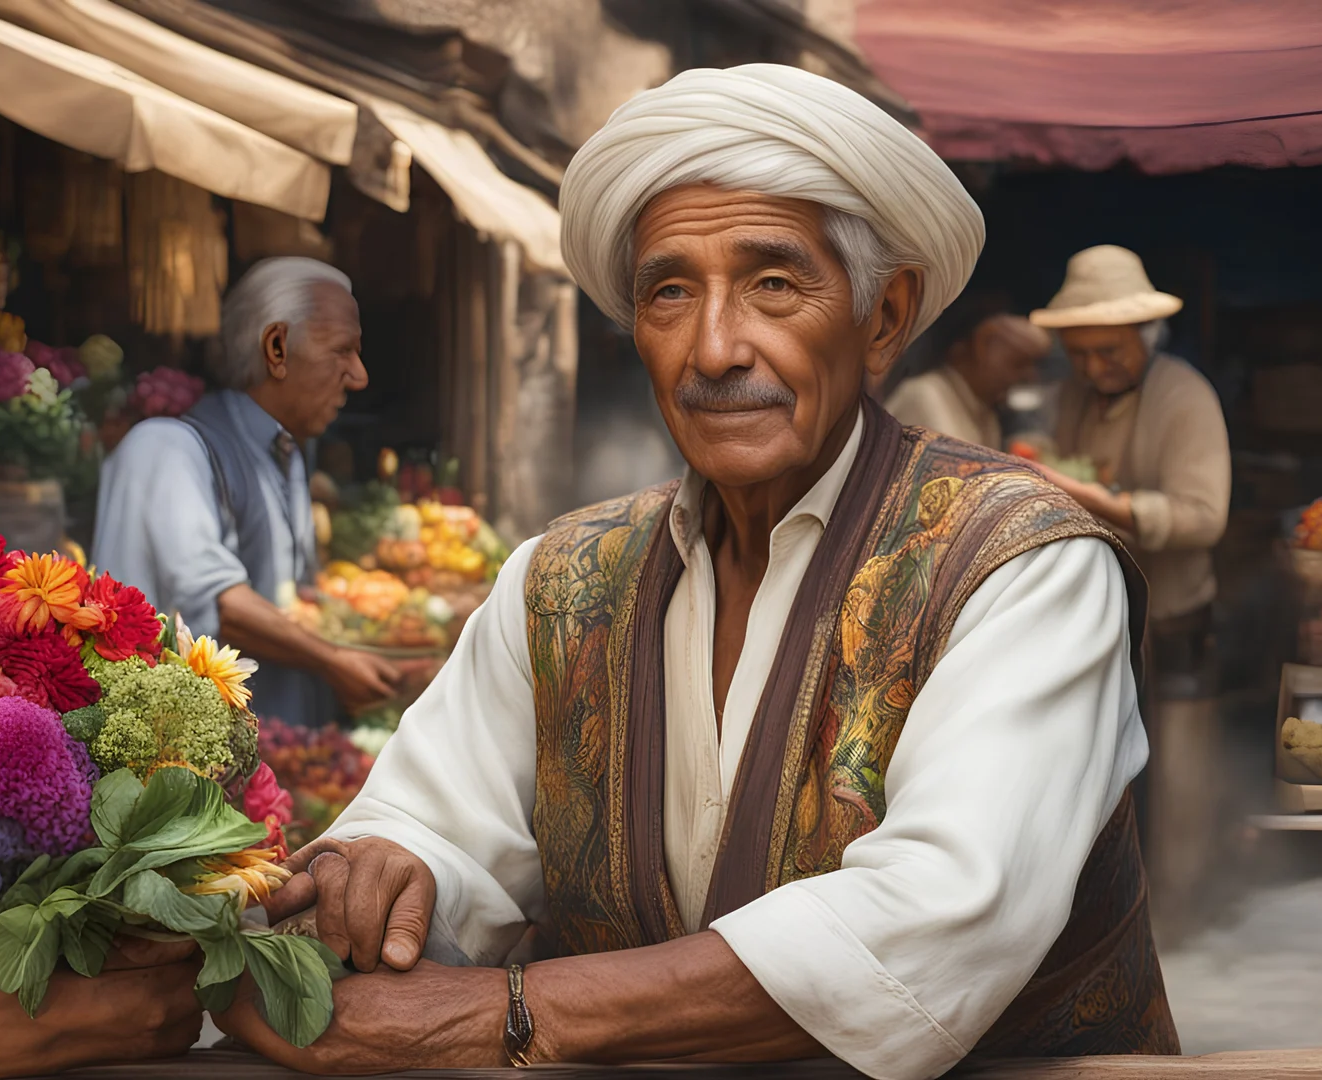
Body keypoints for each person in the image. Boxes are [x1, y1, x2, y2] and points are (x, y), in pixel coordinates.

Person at [215, 65, 1177, 1078]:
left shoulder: (1022, 565)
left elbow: (934, 925)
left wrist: (511, 1011)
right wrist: (387, 879)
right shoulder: (560, 579)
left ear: (884, 319)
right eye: (670, 292)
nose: (714, 349)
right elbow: (432, 828)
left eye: (773, 283)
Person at [93, 257, 402, 724]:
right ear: (276, 348)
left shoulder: (287, 454)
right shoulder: (166, 448)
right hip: (171, 770)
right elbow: (221, 605)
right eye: (342, 350)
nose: (358, 377)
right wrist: (333, 661)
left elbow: (285, 600)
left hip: (262, 760)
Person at [1028, 245, 1230, 672]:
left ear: (1148, 334)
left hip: (1170, 619)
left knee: (1174, 738)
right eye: (1079, 354)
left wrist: (1082, 494)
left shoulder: (1185, 396)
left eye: (1109, 351)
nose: (1094, 368)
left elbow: (1204, 518)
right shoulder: (1072, 394)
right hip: (1090, 616)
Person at [884, 310, 1050, 448]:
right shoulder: (924, 395)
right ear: (981, 347)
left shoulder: (985, 411)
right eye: (1018, 364)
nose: (1029, 376)